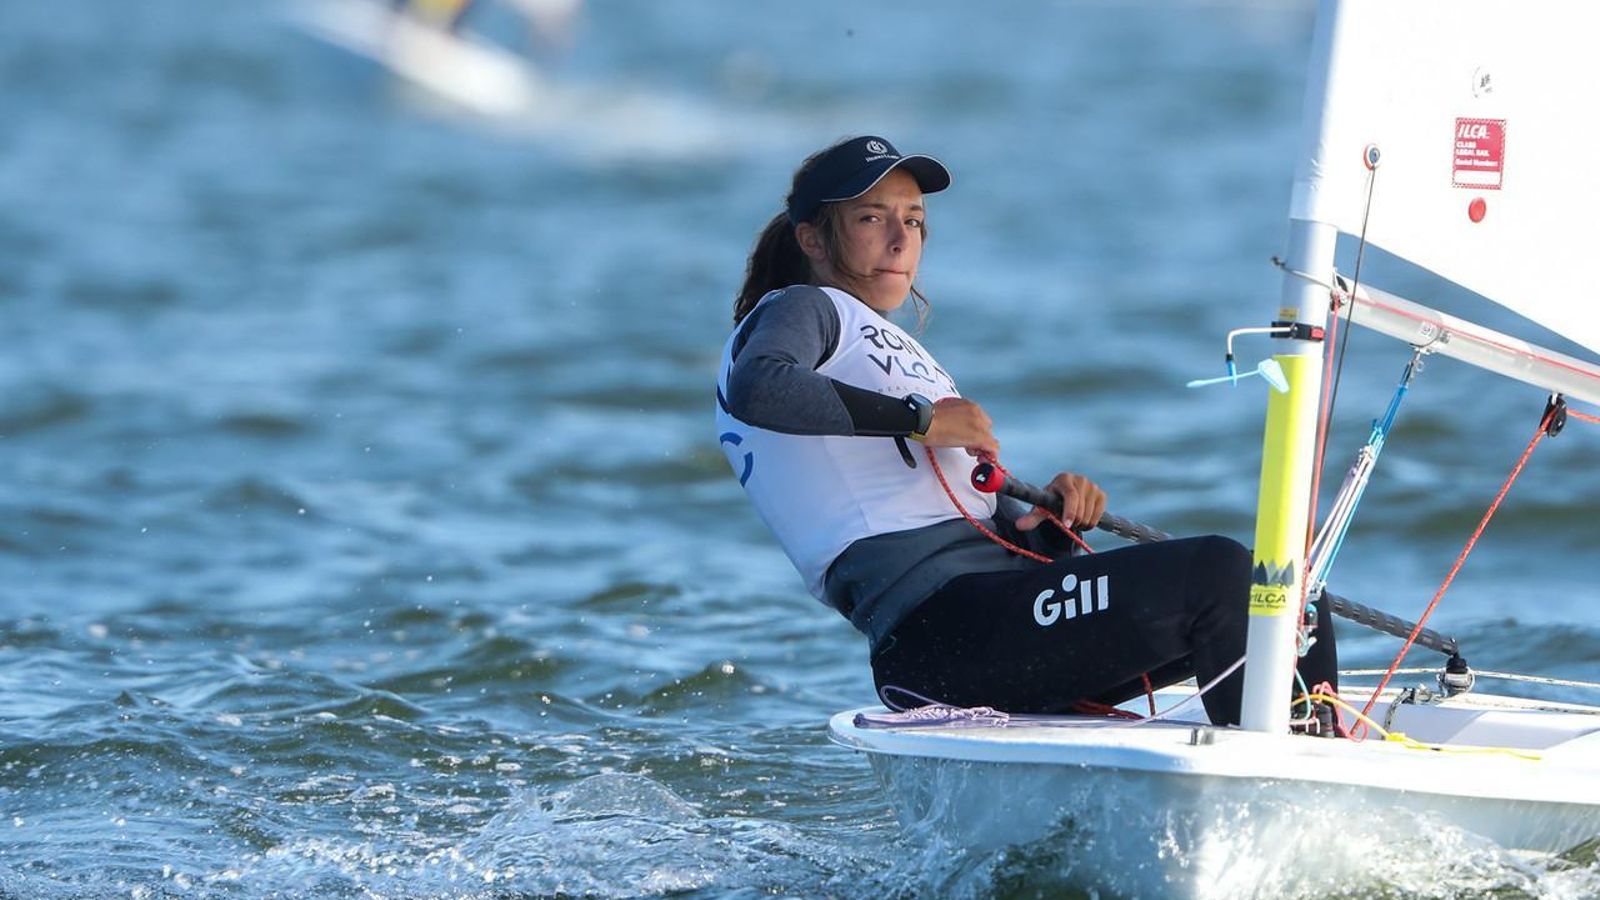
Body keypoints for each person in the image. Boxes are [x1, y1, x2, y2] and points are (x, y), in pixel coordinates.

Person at [714, 136, 1338, 726]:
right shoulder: (801, 307)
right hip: (942, 635)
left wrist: (1049, 530)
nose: (901, 240)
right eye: (872, 219)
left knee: (1291, 593)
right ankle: (1288, 792)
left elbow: (983, 523)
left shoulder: (884, 344)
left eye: (914, 220)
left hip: (1003, 613)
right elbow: (759, 386)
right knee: (1223, 576)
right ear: (813, 240)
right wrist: (922, 418)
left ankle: (1325, 760)